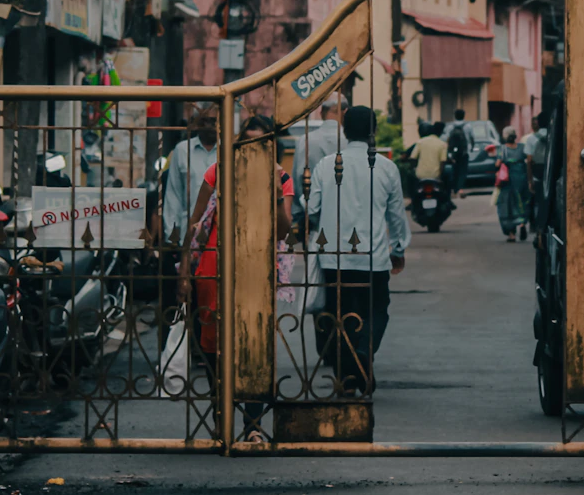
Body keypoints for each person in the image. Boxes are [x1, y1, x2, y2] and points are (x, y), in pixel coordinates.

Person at [305, 105, 409, 395]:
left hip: (333, 256)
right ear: (372, 131)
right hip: (373, 257)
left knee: (339, 315)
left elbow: (312, 208)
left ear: (344, 131)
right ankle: (364, 353)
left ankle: (347, 377)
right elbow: (397, 216)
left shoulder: (327, 165)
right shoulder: (386, 167)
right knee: (376, 310)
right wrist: (398, 248)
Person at [181, 115, 295, 371]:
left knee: (253, 341)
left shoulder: (282, 178)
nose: (254, 149)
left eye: (261, 143)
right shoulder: (220, 170)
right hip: (214, 266)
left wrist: (276, 196)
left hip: (257, 268)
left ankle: (251, 408)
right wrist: (184, 271)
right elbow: (195, 222)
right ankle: (220, 401)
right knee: (213, 342)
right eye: (248, 142)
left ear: (271, 146)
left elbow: (282, 232)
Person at [156, 103, 220, 247]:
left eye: (213, 121)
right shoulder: (182, 150)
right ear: (197, 124)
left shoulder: (230, 151)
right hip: (188, 234)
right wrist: (172, 234)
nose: (209, 126)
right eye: (204, 121)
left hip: (221, 234)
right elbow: (174, 195)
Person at [495, 128, 529, 241]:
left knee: (507, 206)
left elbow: (498, 163)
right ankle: (522, 224)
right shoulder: (522, 147)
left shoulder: (502, 149)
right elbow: (528, 160)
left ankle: (512, 234)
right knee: (521, 203)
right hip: (521, 179)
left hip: (508, 181)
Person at [444, 108, 471, 193]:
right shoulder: (468, 126)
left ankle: (454, 188)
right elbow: (472, 138)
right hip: (464, 152)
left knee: (454, 169)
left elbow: (446, 139)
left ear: (455, 116)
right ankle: (460, 188)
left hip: (453, 152)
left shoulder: (450, 127)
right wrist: (472, 148)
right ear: (464, 116)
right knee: (463, 170)